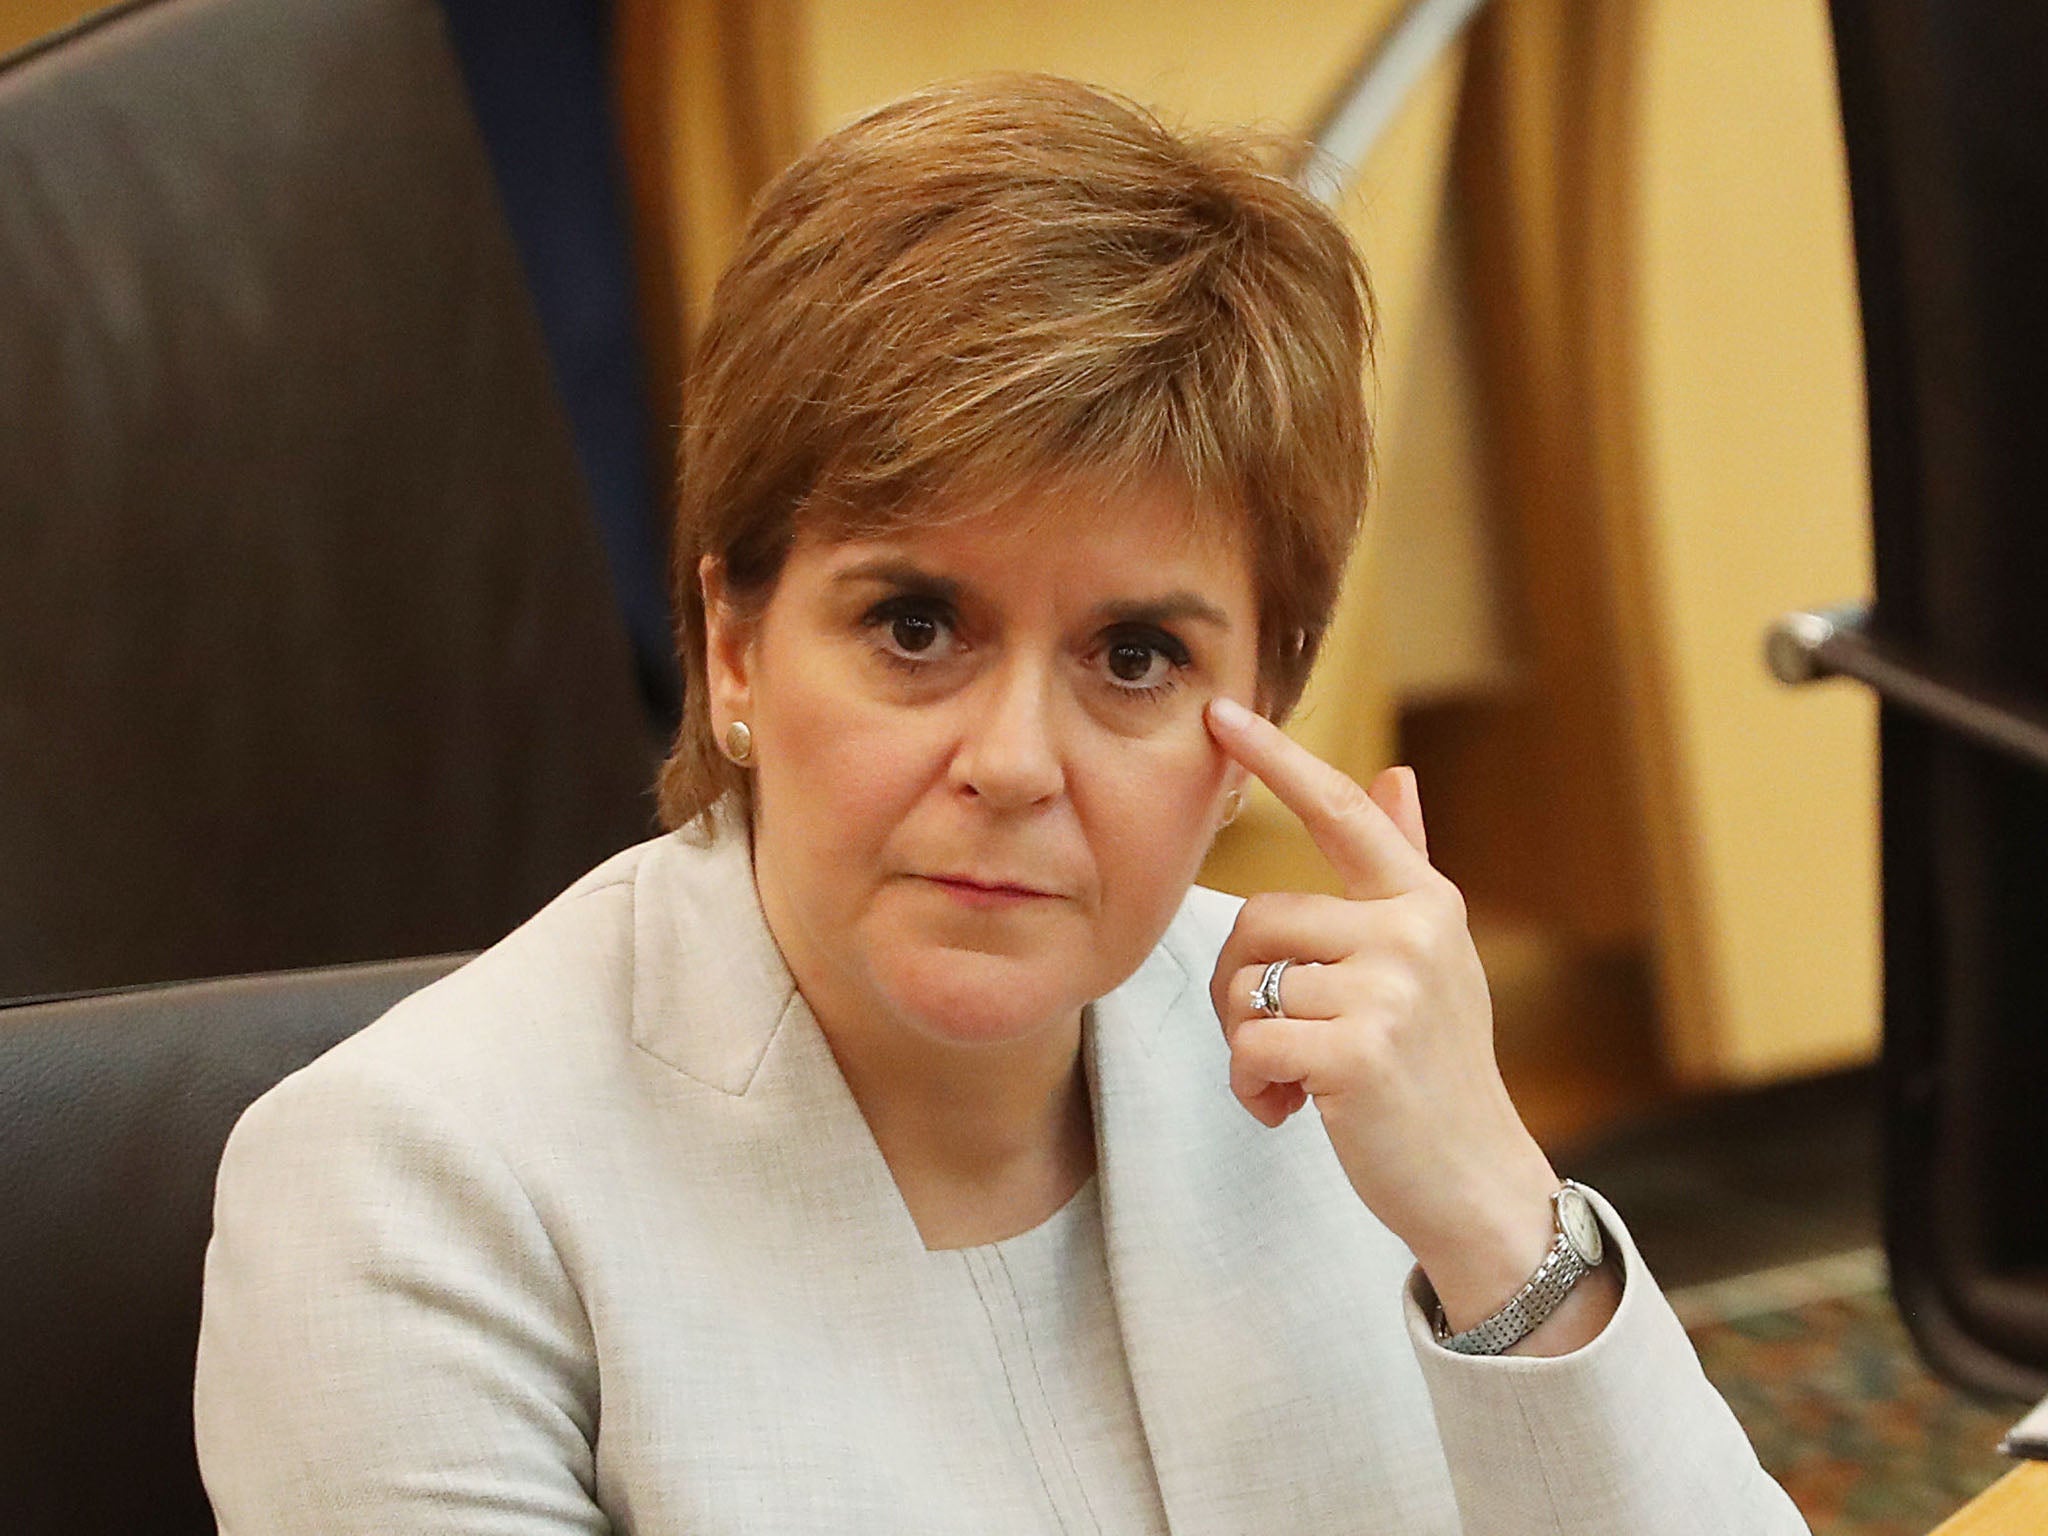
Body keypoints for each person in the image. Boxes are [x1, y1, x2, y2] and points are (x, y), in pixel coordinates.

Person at [195, 74, 1808, 1534]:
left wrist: (1497, 1217)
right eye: (916, 626)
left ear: (1267, 702)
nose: (1017, 760)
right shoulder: (404, 1193)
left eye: (1134, 654)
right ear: (734, 646)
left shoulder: (1341, 1082)